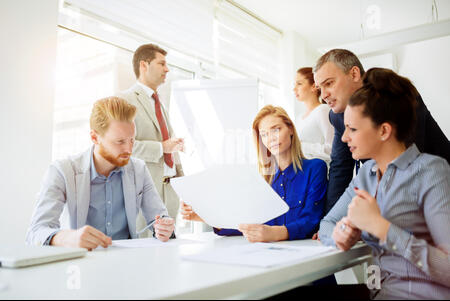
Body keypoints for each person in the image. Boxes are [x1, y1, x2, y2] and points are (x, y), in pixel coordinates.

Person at [318, 68, 450, 299]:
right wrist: (342, 233)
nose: (344, 137)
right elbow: (327, 223)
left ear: (384, 131)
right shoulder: (366, 175)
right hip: (380, 291)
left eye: (353, 129)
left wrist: (382, 228)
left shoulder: (431, 171)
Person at [26, 97, 175, 249]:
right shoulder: (62, 171)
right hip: (78, 264)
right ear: (94, 137)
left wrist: (164, 227)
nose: (129, 149)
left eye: (132, 140)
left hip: (126, 262)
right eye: (120, 142)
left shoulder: (139, 169)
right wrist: (67, 238)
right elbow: (36, 231)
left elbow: (159, 217)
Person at [313, 49, 450, 214]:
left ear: (354, 74)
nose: (324, 95)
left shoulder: (395, 94)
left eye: (329, 83)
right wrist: (332, 219)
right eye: (320, 88)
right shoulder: (337, 117)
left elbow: (408, 163)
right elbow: (340, 169)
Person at [181, 105, 328, 242]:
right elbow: (247, 223)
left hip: (305, 253)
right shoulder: (262, 179)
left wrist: (274, 233)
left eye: (276, 130)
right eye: (264, 134)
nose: (271, 138)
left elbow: (311, 220)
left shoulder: (315, 168)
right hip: (267, 255)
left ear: (290, 129)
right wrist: (204, 216)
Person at [119, 43, 184, 236]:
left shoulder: (160, 104)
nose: (167, 69)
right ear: (144, 65)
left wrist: (182, 182)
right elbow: (124, 146)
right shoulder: (126, 99)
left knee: (168, 251)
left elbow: (169, 146)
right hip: (146, 192)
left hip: (170, 191)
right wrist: (161, 147)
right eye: (161, 63)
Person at [293, 67, 334, 166]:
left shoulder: (323, 110)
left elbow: (332, 149)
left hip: (319, 173)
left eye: (299, 84)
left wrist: (299, 146)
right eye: (294, 84)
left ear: (314, 86)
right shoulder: (299, 118)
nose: (294, 89)